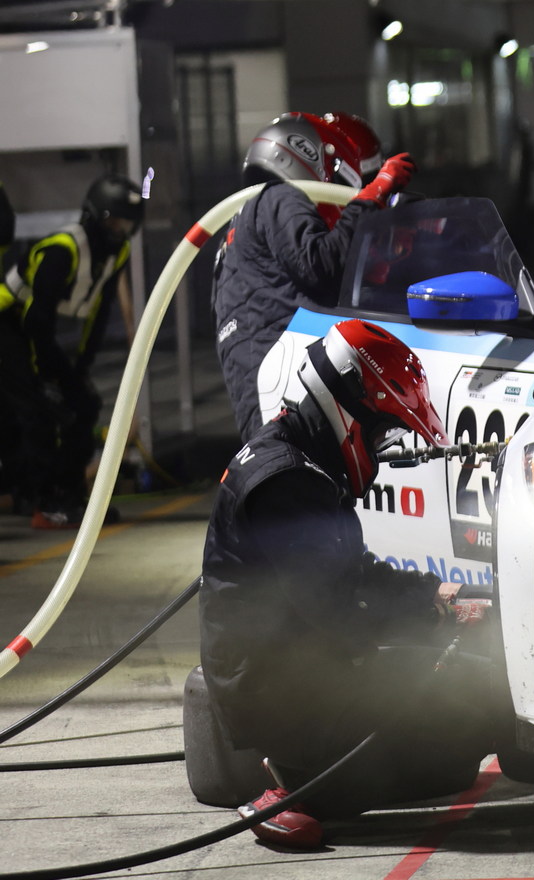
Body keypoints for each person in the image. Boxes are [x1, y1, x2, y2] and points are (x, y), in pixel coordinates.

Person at [201, 318, 482, 848]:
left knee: (460, 709)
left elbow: (348, 575)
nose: (381, 448)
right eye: (380, 432)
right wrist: (432, 625)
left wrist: (428, 594)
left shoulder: (303, 461)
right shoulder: (287, 483)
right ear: (348, 408)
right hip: (283, 697)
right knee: (468, 713)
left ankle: (304, 769)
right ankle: (295, 779)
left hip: (293, 668)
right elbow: (340, 615)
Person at [212, 112, 412, 440]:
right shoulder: (277, 197)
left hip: (265, 388)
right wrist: (372, 197)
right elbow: (321, 267)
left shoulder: (238, 227)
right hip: (290, 386)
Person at [0, 174, 144, 528]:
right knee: (41, 410)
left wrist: (80, 369)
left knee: (84, 404)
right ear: (95, 216)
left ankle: (70, 493)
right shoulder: (62, 250)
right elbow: (37, 319)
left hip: (35, 331)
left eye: (127, 224)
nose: (119, 230)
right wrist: (44, 377)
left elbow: (98, 315)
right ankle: (44, 502)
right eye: (113, 221)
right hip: (7, 323)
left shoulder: (117, 253)